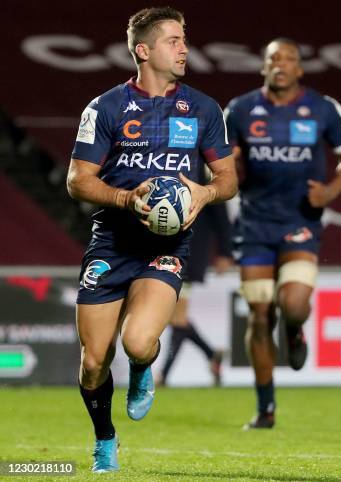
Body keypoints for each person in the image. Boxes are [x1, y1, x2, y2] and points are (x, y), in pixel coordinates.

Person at [66, 7, 236, 472]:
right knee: (93, 362)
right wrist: (126, 200)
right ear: (144, 50)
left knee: (139, 343)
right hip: (111, 244)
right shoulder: (105, 108)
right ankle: (104, 438)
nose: (185, 49)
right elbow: (78, 181)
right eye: (174, 41)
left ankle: (142, 370)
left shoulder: (203, 109)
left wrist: (204, 191)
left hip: (166, 246)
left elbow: (228, 180)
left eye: (185, 40)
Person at [224, 38, 341, 429]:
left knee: (295, 304)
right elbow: (215, 164)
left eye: (288, 59)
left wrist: (331, 192)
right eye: (273, 59)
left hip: (300, 221)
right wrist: (226, 166)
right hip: (254, 224)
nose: (281, 64)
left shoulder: (322, 108)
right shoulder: (239, 109)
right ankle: (266, 407)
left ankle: (296, 330)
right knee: (258, 313)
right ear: (264, 67)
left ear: (300, 69)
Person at [157, 200, 233, 387]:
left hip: (189, 251)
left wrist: (225, 251)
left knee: (177, 318)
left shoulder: (204, 173)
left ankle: (163, 376)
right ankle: (211, 355)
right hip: (163, 249)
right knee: (174, 318)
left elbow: (220, 214)